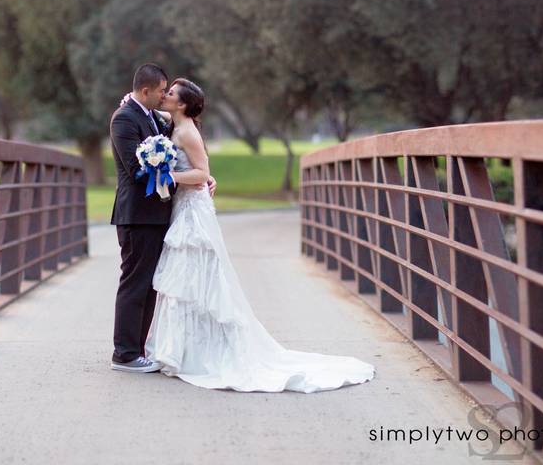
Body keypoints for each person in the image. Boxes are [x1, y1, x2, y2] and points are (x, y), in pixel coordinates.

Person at [143, 77, 376, 392]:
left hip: (192, 213)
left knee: (197, 275)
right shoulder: (171, 122)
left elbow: (202, 173)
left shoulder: (188, 132)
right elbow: (150, 115)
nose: (165, 96)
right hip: (181, 208)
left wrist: (167, 174)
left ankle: (198, 352)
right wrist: (128, 106)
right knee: (182, 278)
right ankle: (178, 349)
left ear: (182, 104)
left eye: (170, 94)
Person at [108, 64, 216, 372]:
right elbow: (135, 168)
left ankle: (138, 350)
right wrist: (180, 175)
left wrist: (202, 177)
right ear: (145, 91)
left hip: (157, 215)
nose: (162, 96)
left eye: (167, 92)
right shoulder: (126, 119)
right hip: (137, 216)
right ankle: (125, 354)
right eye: (160, 90)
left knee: (149, 284)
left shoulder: (151, 116)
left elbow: (184, 145)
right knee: (135, 283)